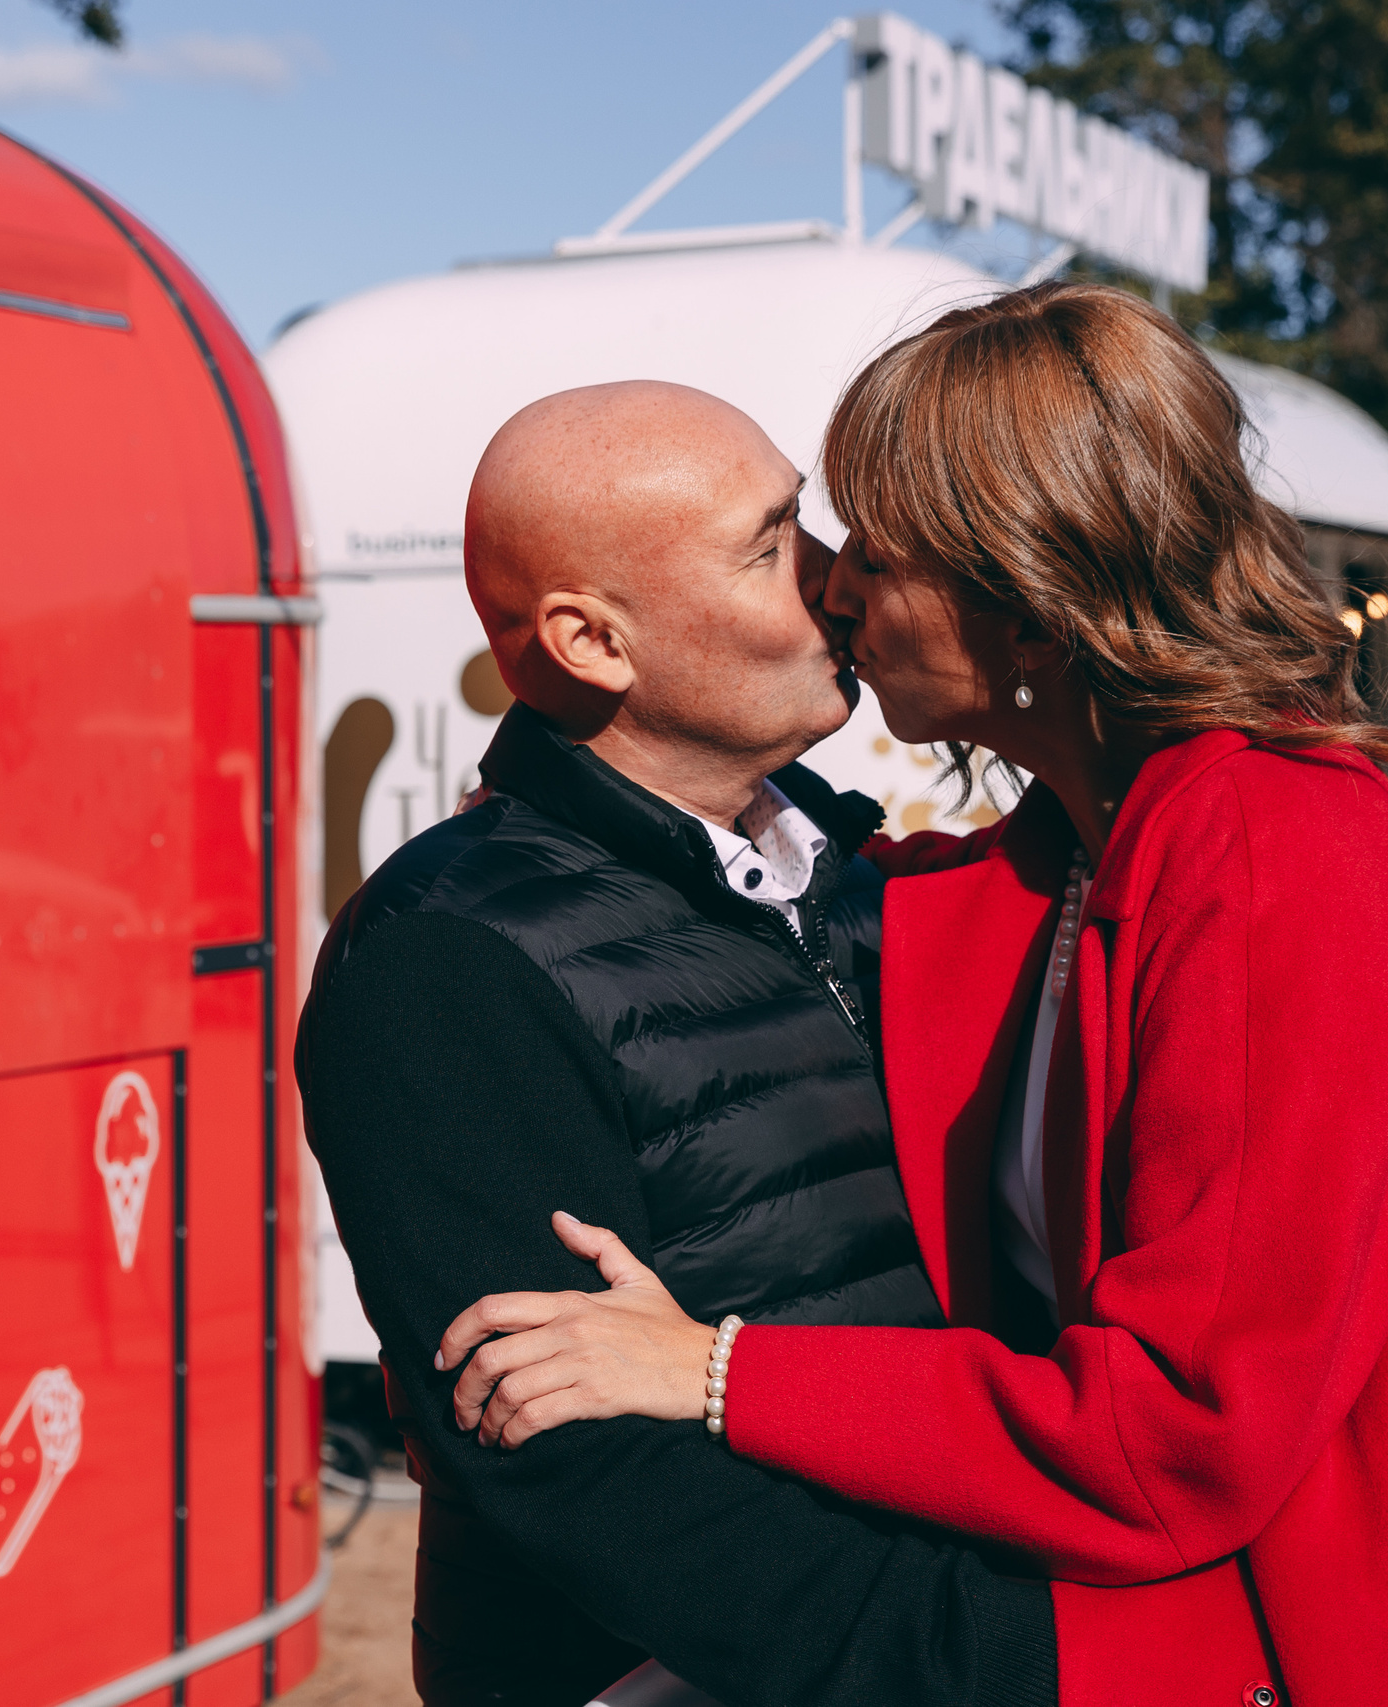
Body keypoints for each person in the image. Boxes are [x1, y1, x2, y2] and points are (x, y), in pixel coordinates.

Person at [437, 283, 1388, 1706]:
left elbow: (1185, 1426)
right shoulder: (1062, 861)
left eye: (879, 550)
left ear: (1032, 604)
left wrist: (711, 1373)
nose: (835, 585)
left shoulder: (1278, 857)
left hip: (1346, 1623)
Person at [296, 380, 1072, 1707]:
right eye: (773, 545)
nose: (838, 584)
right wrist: (983, 1654)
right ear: (593, 641)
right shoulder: (445, 954)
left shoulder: (865, 878)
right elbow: (564, 1453)